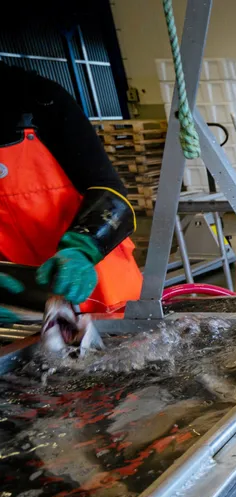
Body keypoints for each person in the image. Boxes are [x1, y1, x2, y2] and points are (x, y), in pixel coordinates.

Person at [0, 62, 142, 322]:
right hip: (22, 307)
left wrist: (80, 250)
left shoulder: (39, 99)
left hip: (98, 286)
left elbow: (111, 193)